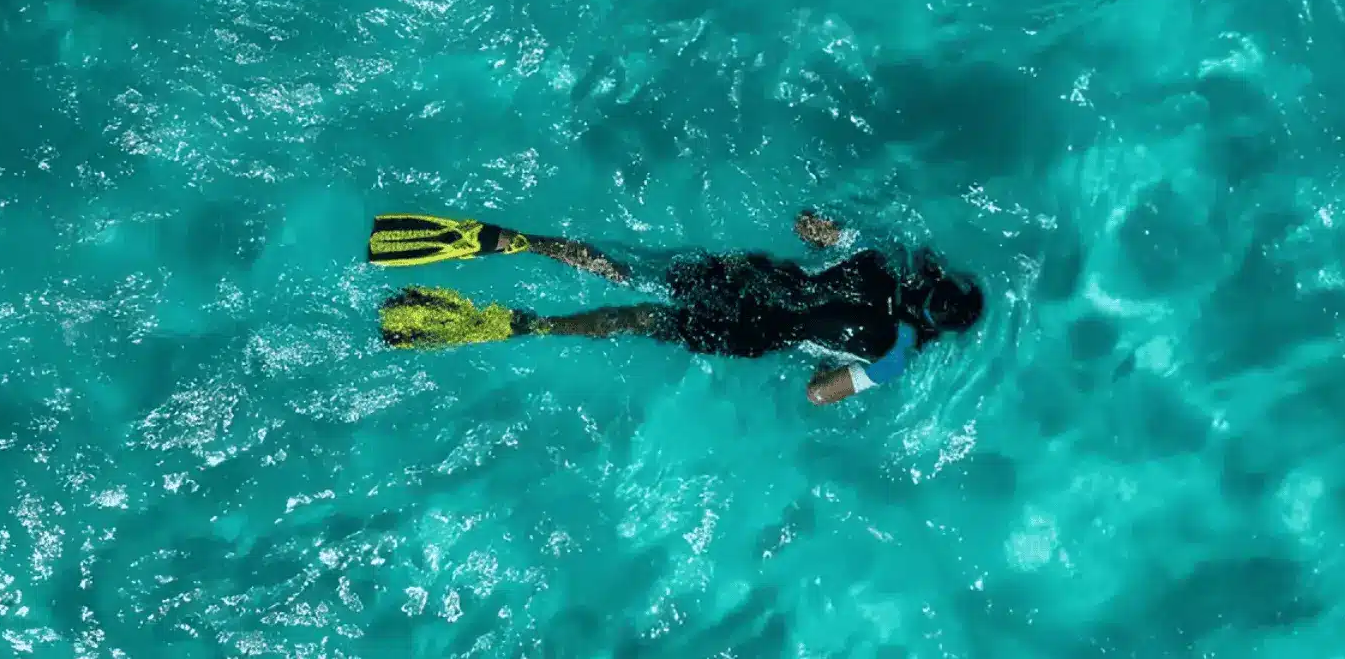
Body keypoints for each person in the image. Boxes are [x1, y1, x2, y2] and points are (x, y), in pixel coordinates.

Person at [366, 211, 983, 405]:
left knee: (619, 264)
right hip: (746, 330)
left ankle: (516, 241)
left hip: (744, 277)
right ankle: (533, 324)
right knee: (635, 320)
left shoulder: (880, 257)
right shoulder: (892, 356)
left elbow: (811, 225)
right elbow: (817, 394)